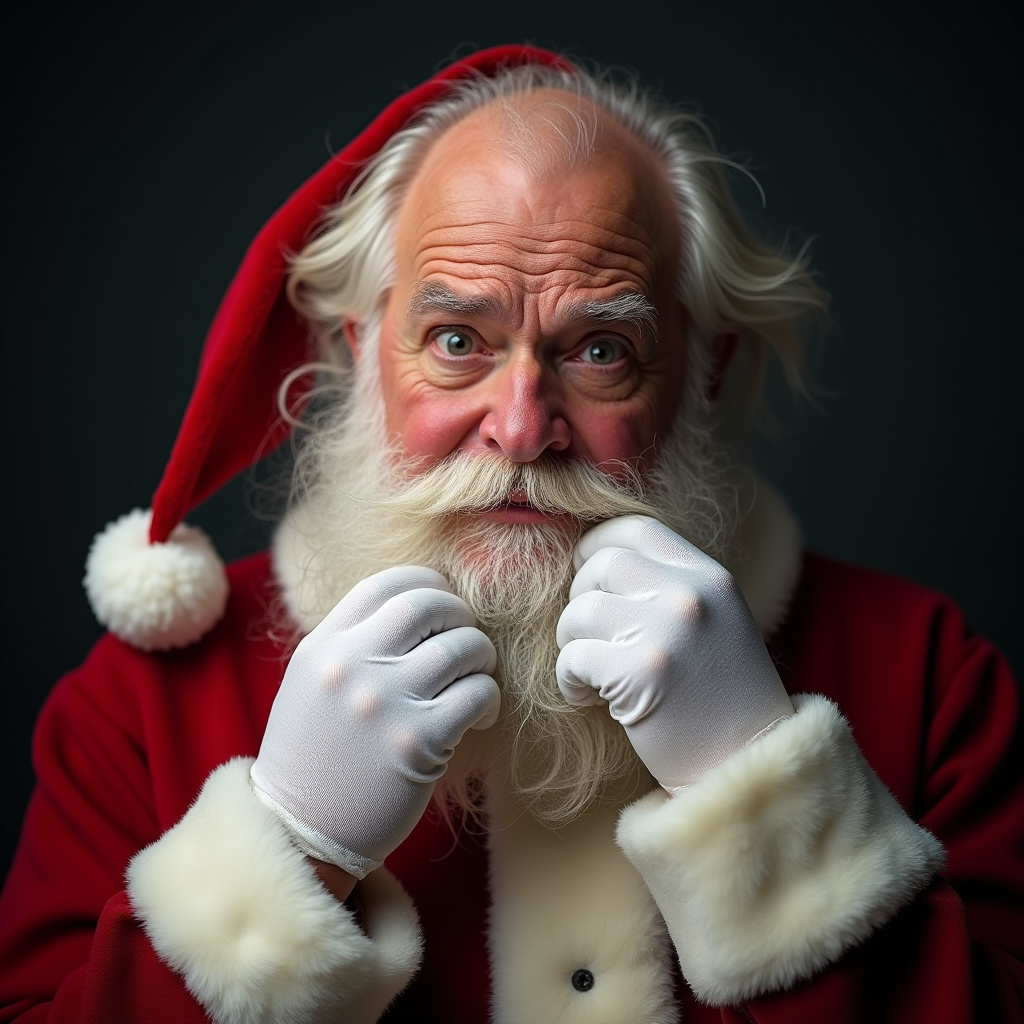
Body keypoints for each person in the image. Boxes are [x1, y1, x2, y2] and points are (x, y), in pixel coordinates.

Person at [0, 44, 1020, 1024]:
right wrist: (289, 850)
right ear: (364, 356)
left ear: (699, 375)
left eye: (601, 349)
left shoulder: (926, 670)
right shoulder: (139, 700)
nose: (523, 425)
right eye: (456, 341)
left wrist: (757, 787)